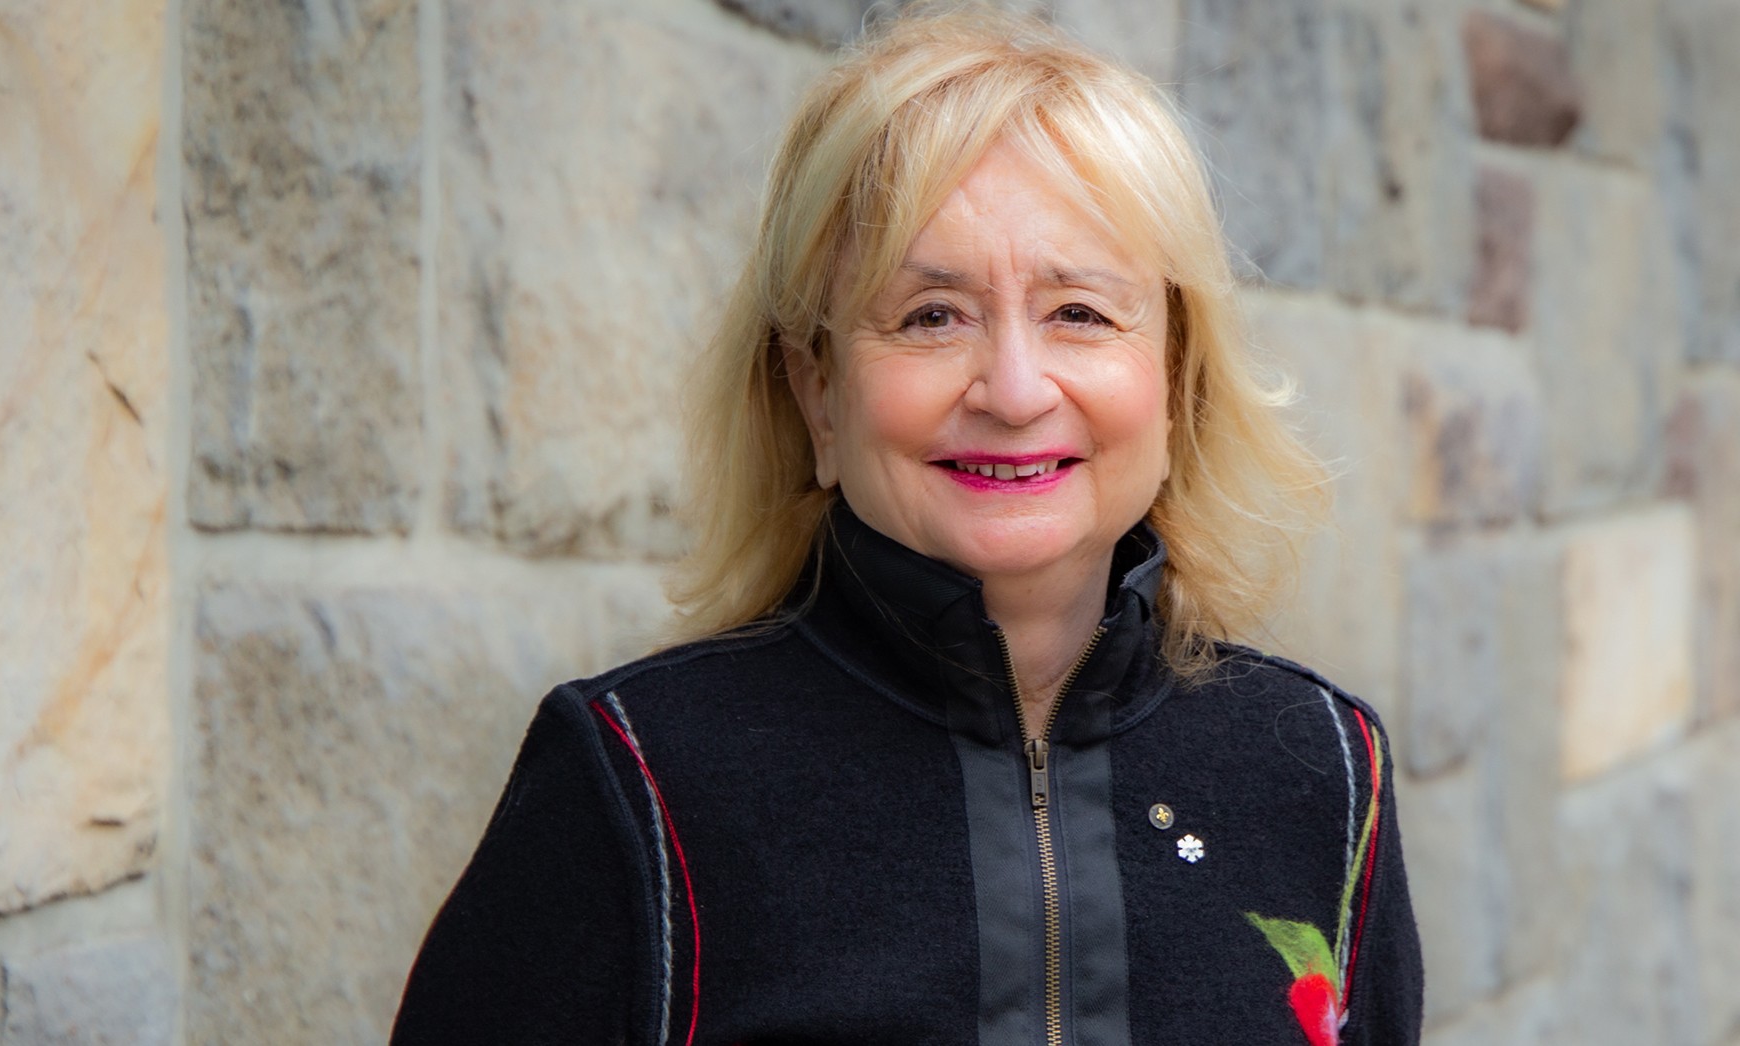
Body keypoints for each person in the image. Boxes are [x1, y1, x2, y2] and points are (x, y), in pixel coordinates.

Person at [391, 6, 1421, 1044]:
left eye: (1079, 313)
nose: (1015, 390)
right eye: (931, 314)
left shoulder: (1322, 771)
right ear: (819, 392)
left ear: (1176, 377)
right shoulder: (638, 784)